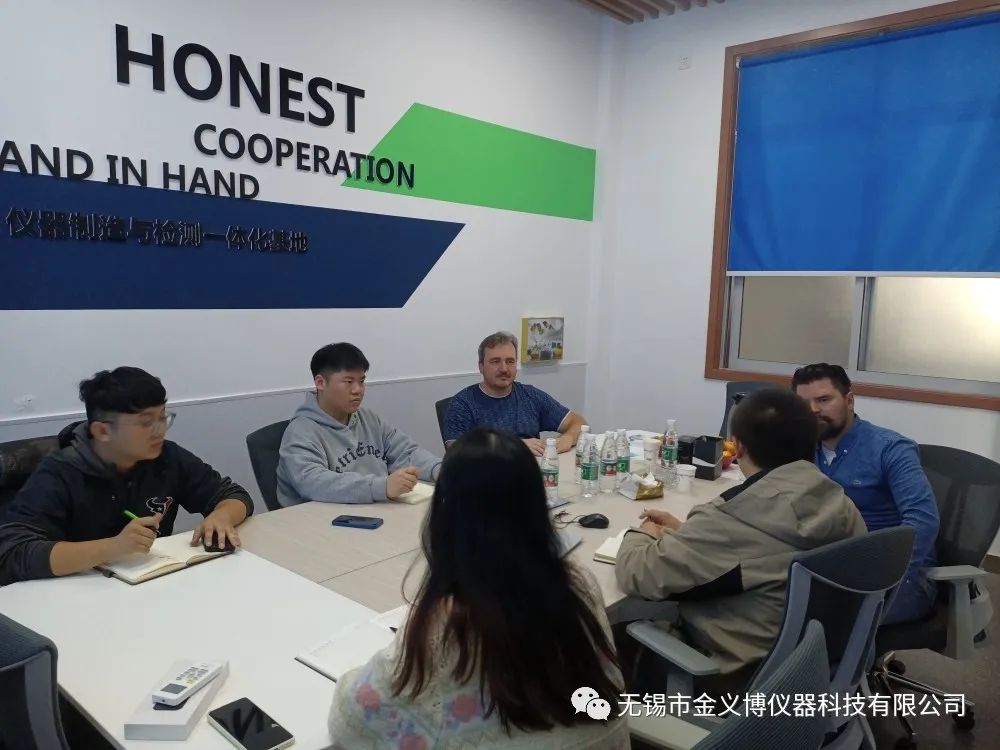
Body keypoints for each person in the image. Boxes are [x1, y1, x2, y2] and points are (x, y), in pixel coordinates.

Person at [328, 427, 628, 749]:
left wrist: (359, 672)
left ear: (446, 514)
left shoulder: (446, 623)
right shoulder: (579, 584)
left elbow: (351, 721)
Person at [615, 388, 866, 681]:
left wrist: (642, 533)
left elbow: (637, 573)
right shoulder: (841, 504)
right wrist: (689, 534)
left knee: (611, 627)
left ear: (739, 447)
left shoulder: (733, 514)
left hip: (737, 676)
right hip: (814, 668)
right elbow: (762, 552)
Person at [0, 367, 252, 586]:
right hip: (76, 594)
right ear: (102, 431)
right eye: (145, 423)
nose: (160, 430)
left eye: (163, 417)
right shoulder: (60, 472)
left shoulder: (167, 456)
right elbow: (13, 553)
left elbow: (232, 495)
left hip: (151, 585)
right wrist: (113, 547)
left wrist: (221, 516)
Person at [792, 363, 940, 624]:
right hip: (831, 566)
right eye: (804, 404)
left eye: (824, 400)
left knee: (810, 618)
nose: (813, 410)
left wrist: (880, 575)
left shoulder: (891, 449)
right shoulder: (804, 449)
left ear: (849, 401)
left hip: (896, 577)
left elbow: (923, 520)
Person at [277, 343, 442, 506]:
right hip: (322, 518)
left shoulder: (369, 419)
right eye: (348, 382)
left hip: (375, 508)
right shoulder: (300, 431)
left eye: (361, 381)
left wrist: (442, 471)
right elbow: (313, 482)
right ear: (320, 382)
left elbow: (406, 452)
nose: (358, 390)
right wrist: (381, 487)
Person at [442, 332, 585, 455]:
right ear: (481, 366)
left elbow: (578, 422)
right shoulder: (462, 404)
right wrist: (514, 446)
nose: (504, 369)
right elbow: (457, 451)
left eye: (510, 361)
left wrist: (568, 438)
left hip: (531, 471)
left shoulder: (531, 396)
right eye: (495, 361)